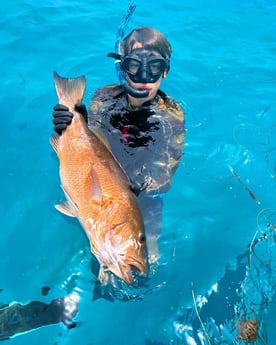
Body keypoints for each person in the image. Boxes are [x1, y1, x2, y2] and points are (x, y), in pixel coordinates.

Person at [52, 26, 185, 271]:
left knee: (150, 255)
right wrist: (73, 121)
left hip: (144, 191)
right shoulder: (104, 97)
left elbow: (169, 165)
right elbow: (90, 141)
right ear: (122, 67)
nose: (144, 77)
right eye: (135, 65)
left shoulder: (171, 114)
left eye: (154, 67)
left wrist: (143, 185)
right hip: (105, 180)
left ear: (165, 71)